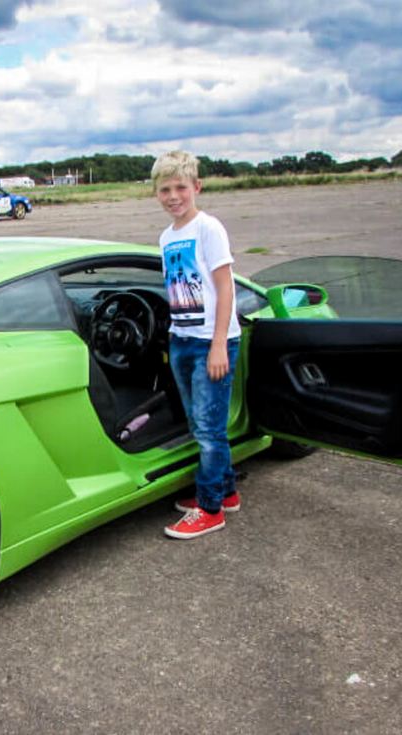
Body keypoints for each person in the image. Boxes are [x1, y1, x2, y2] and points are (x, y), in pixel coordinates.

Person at [153, 150, 242, 540]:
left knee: (210, 430)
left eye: (180, 188)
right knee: (198, 425)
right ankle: (226, 492)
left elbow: (225, 287)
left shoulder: (209, 228)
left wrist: (219, 343)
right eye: (165, 189)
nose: (173, 196)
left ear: (197, 187)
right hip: (182, 339)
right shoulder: (166, 237)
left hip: (211, 341)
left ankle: (210, 509)